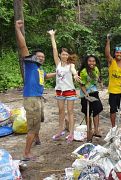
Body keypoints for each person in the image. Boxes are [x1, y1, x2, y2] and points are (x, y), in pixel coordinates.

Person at [15, 20, 56, 160]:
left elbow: (46, 76)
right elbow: (23, 46)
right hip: (32, 99)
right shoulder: (31, 64)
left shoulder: (39, 69)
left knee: (39, 120)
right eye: (39, 56)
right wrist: (18, 29)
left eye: (43, 57)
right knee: (33, 126)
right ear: (34, 57)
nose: (41, 58)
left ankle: (37, 139)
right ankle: (26, 153)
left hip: (38, 98)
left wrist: (59, 73)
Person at [48, 30, 80, 143]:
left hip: (70, 91)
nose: (65, 56)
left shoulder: (71, 65)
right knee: (61, 111)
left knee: (70, 112)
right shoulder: (57, 63)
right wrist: (52, 36)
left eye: (67, 54)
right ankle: (60, 131)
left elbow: (73, 71)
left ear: (68, 56)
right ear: (61, 55)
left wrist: (75, 75)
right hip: (59, 91)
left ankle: (71, 133)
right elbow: (54, 49)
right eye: (63, 54)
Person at [105, 34, 121, 130]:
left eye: (120, 53)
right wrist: (108, 41)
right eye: (117, 53)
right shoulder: (111, 61)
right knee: (112, 110)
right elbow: (107, 54)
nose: (118, 54)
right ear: (114, 53)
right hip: (113, 91)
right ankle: (113, 127)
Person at [79, 55, 104, 141]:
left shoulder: (96, 69)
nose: (92, 63)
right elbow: (81, 84)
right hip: (85, 93)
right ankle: (89, 130)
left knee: (97, 109)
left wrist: (100, 84)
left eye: (93, 61)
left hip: (94, 92)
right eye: (90, 61)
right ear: (87, 62)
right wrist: (86, 93)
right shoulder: (83, 72)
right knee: (87, 112)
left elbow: (98, 78)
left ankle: (96, 130)